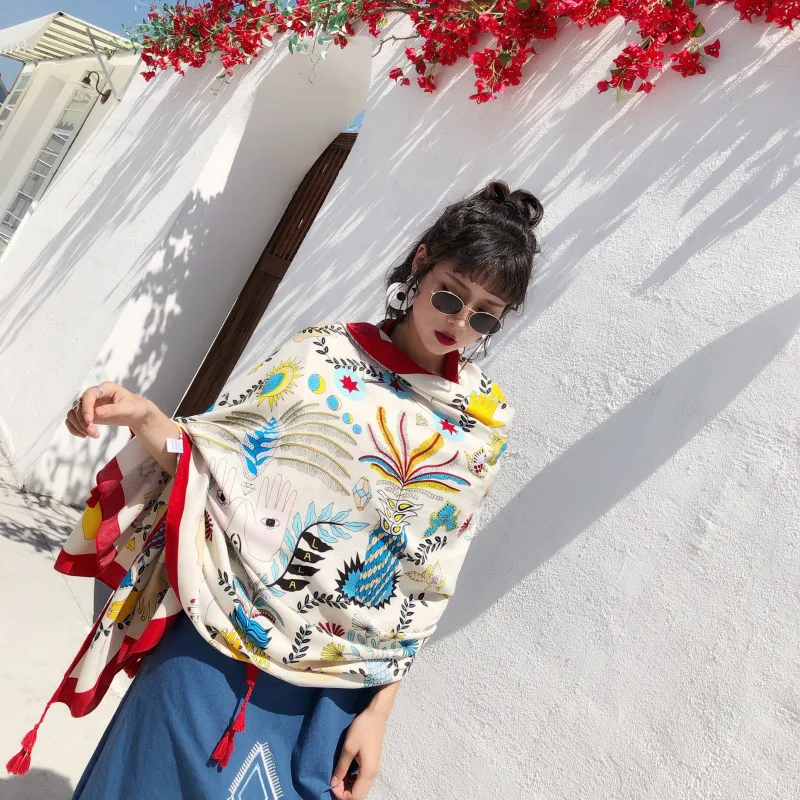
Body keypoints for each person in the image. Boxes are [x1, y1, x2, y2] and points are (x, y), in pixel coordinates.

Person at [7, 180, 543, 800]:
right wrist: (142, 415)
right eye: (450, 294)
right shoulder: (321, 357)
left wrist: (378, 713)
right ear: (421, 263)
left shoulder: (480, 425)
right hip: (216, 641)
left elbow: (421, 584)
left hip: (333, 690)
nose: (459, 322)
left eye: (484, 315)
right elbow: (214, 459)